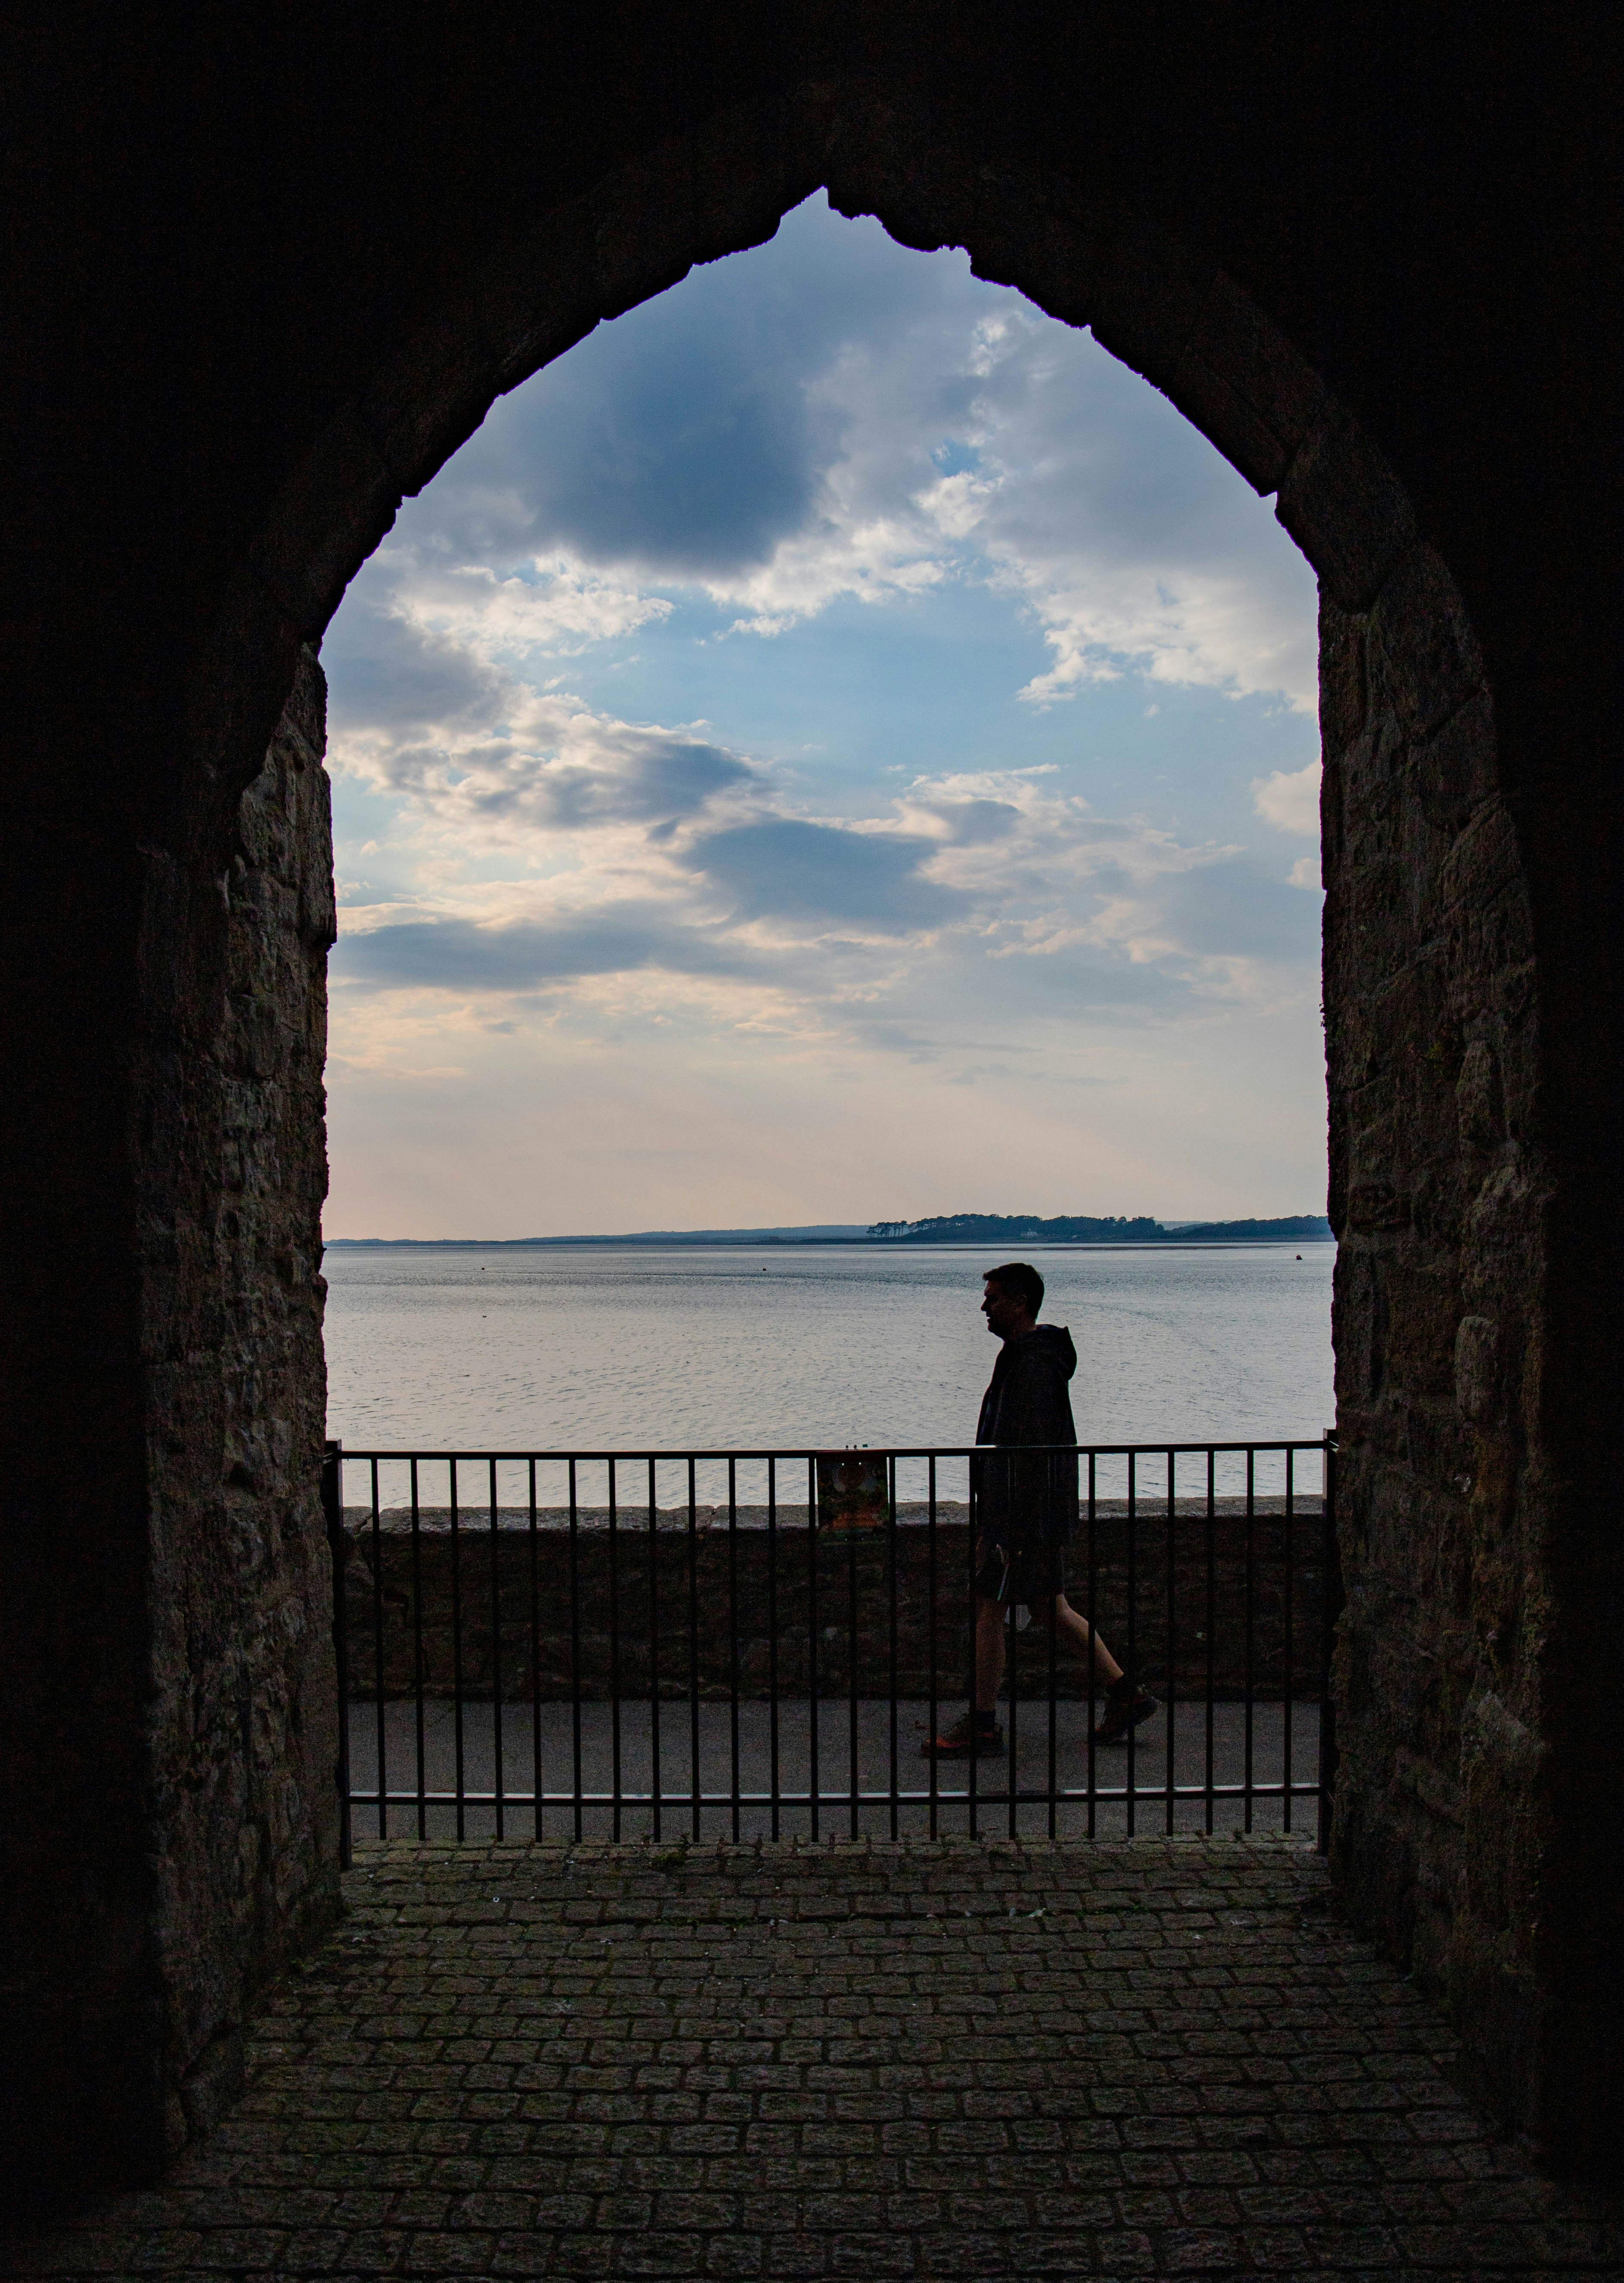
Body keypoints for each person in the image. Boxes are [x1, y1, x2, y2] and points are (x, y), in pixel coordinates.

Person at [923, 1261, 1157, 1757]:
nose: (984, 1307)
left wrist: (1005, 1529)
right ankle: (1125, 1694)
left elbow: (1027, 1453)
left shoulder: (1031, 1365)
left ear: (1020, 1302)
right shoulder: (1030, 1357)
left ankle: (982, 1726)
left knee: (990, 1608)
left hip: (1023, 1519)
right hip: (1039, 1514)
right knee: (1050, 1607)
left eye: (992, 1298)